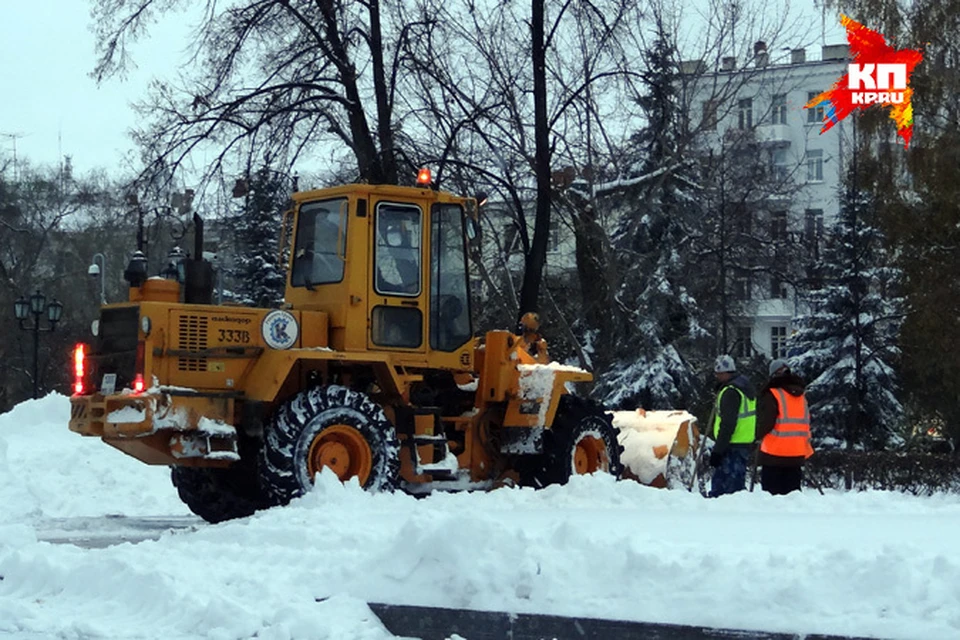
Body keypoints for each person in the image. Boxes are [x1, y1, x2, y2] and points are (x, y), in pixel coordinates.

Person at [755, 358, 814, 495]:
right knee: (792, 497)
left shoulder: (773, 394)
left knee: (773, 499)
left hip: (774, 454)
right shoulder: (801, 396)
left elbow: (767, 422)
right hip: (797, 453)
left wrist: (757, 435)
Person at [708, 354, 757, 497]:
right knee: (736, 489)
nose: (716, 376)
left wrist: (718, 450)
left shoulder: (731, 392)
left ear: (724, 373)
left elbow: (728, 424)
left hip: (730, 446)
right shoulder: (744, 387)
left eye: (718, 373)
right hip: (742, 443)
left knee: (725, 492)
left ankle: (723, 515)